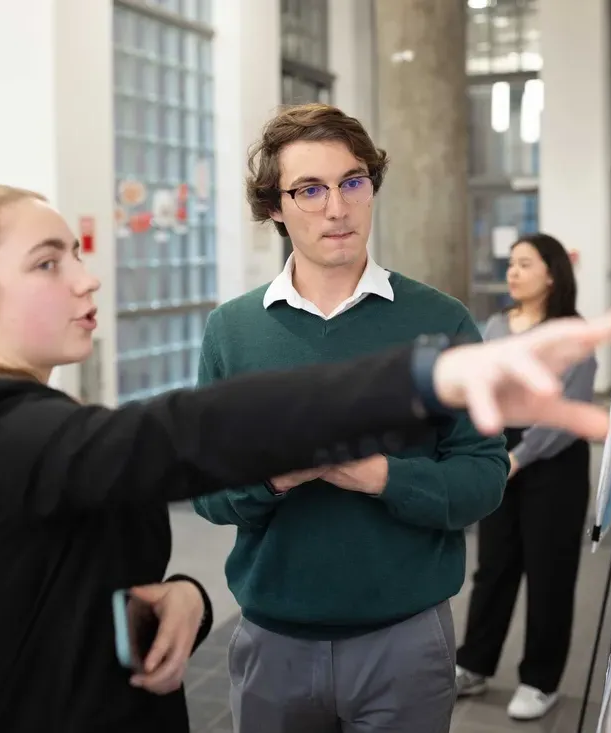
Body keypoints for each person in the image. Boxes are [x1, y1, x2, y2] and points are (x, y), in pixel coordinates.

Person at [0, 184, 611, 733]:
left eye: (73, 252)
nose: (86, 275)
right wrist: (422, 376)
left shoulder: (14, 418)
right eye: (47, 262)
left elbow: (79, 583)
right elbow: (174, 436)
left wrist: (189, 596)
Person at [190, 103, 508, 733]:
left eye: (352, 182)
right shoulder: (233, 330)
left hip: (406, 640)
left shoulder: (440, 322)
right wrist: (275, 476)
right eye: (309, 190)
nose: (336, 208)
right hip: (272, 641)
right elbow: (203, 489)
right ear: (274, 208)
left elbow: (485, 477)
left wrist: (382, 477)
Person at [454, 233, 597, 721]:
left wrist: (517, 458)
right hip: (500, 453)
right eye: (510, 264)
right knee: (493, 567)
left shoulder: (572, 334)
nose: (512, 272)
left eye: (524, 264)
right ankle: (473, 664)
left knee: (549, 574)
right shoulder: (495, 325)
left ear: (552, 275)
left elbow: (563, 412)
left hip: (553, 463)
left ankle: (540, 680)